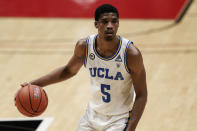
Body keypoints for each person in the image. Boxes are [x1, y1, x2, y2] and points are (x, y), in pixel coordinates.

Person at [20, 4, 147, 131]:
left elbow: (142, 94)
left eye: (114, 21)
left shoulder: (131, 54)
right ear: (96, 24)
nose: (110, 26)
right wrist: (33, 85)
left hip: (119, 119)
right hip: (91, 116)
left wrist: (130, 128)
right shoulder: (85, 46)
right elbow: (68, 71)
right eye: (104, 22)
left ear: (118, 24)